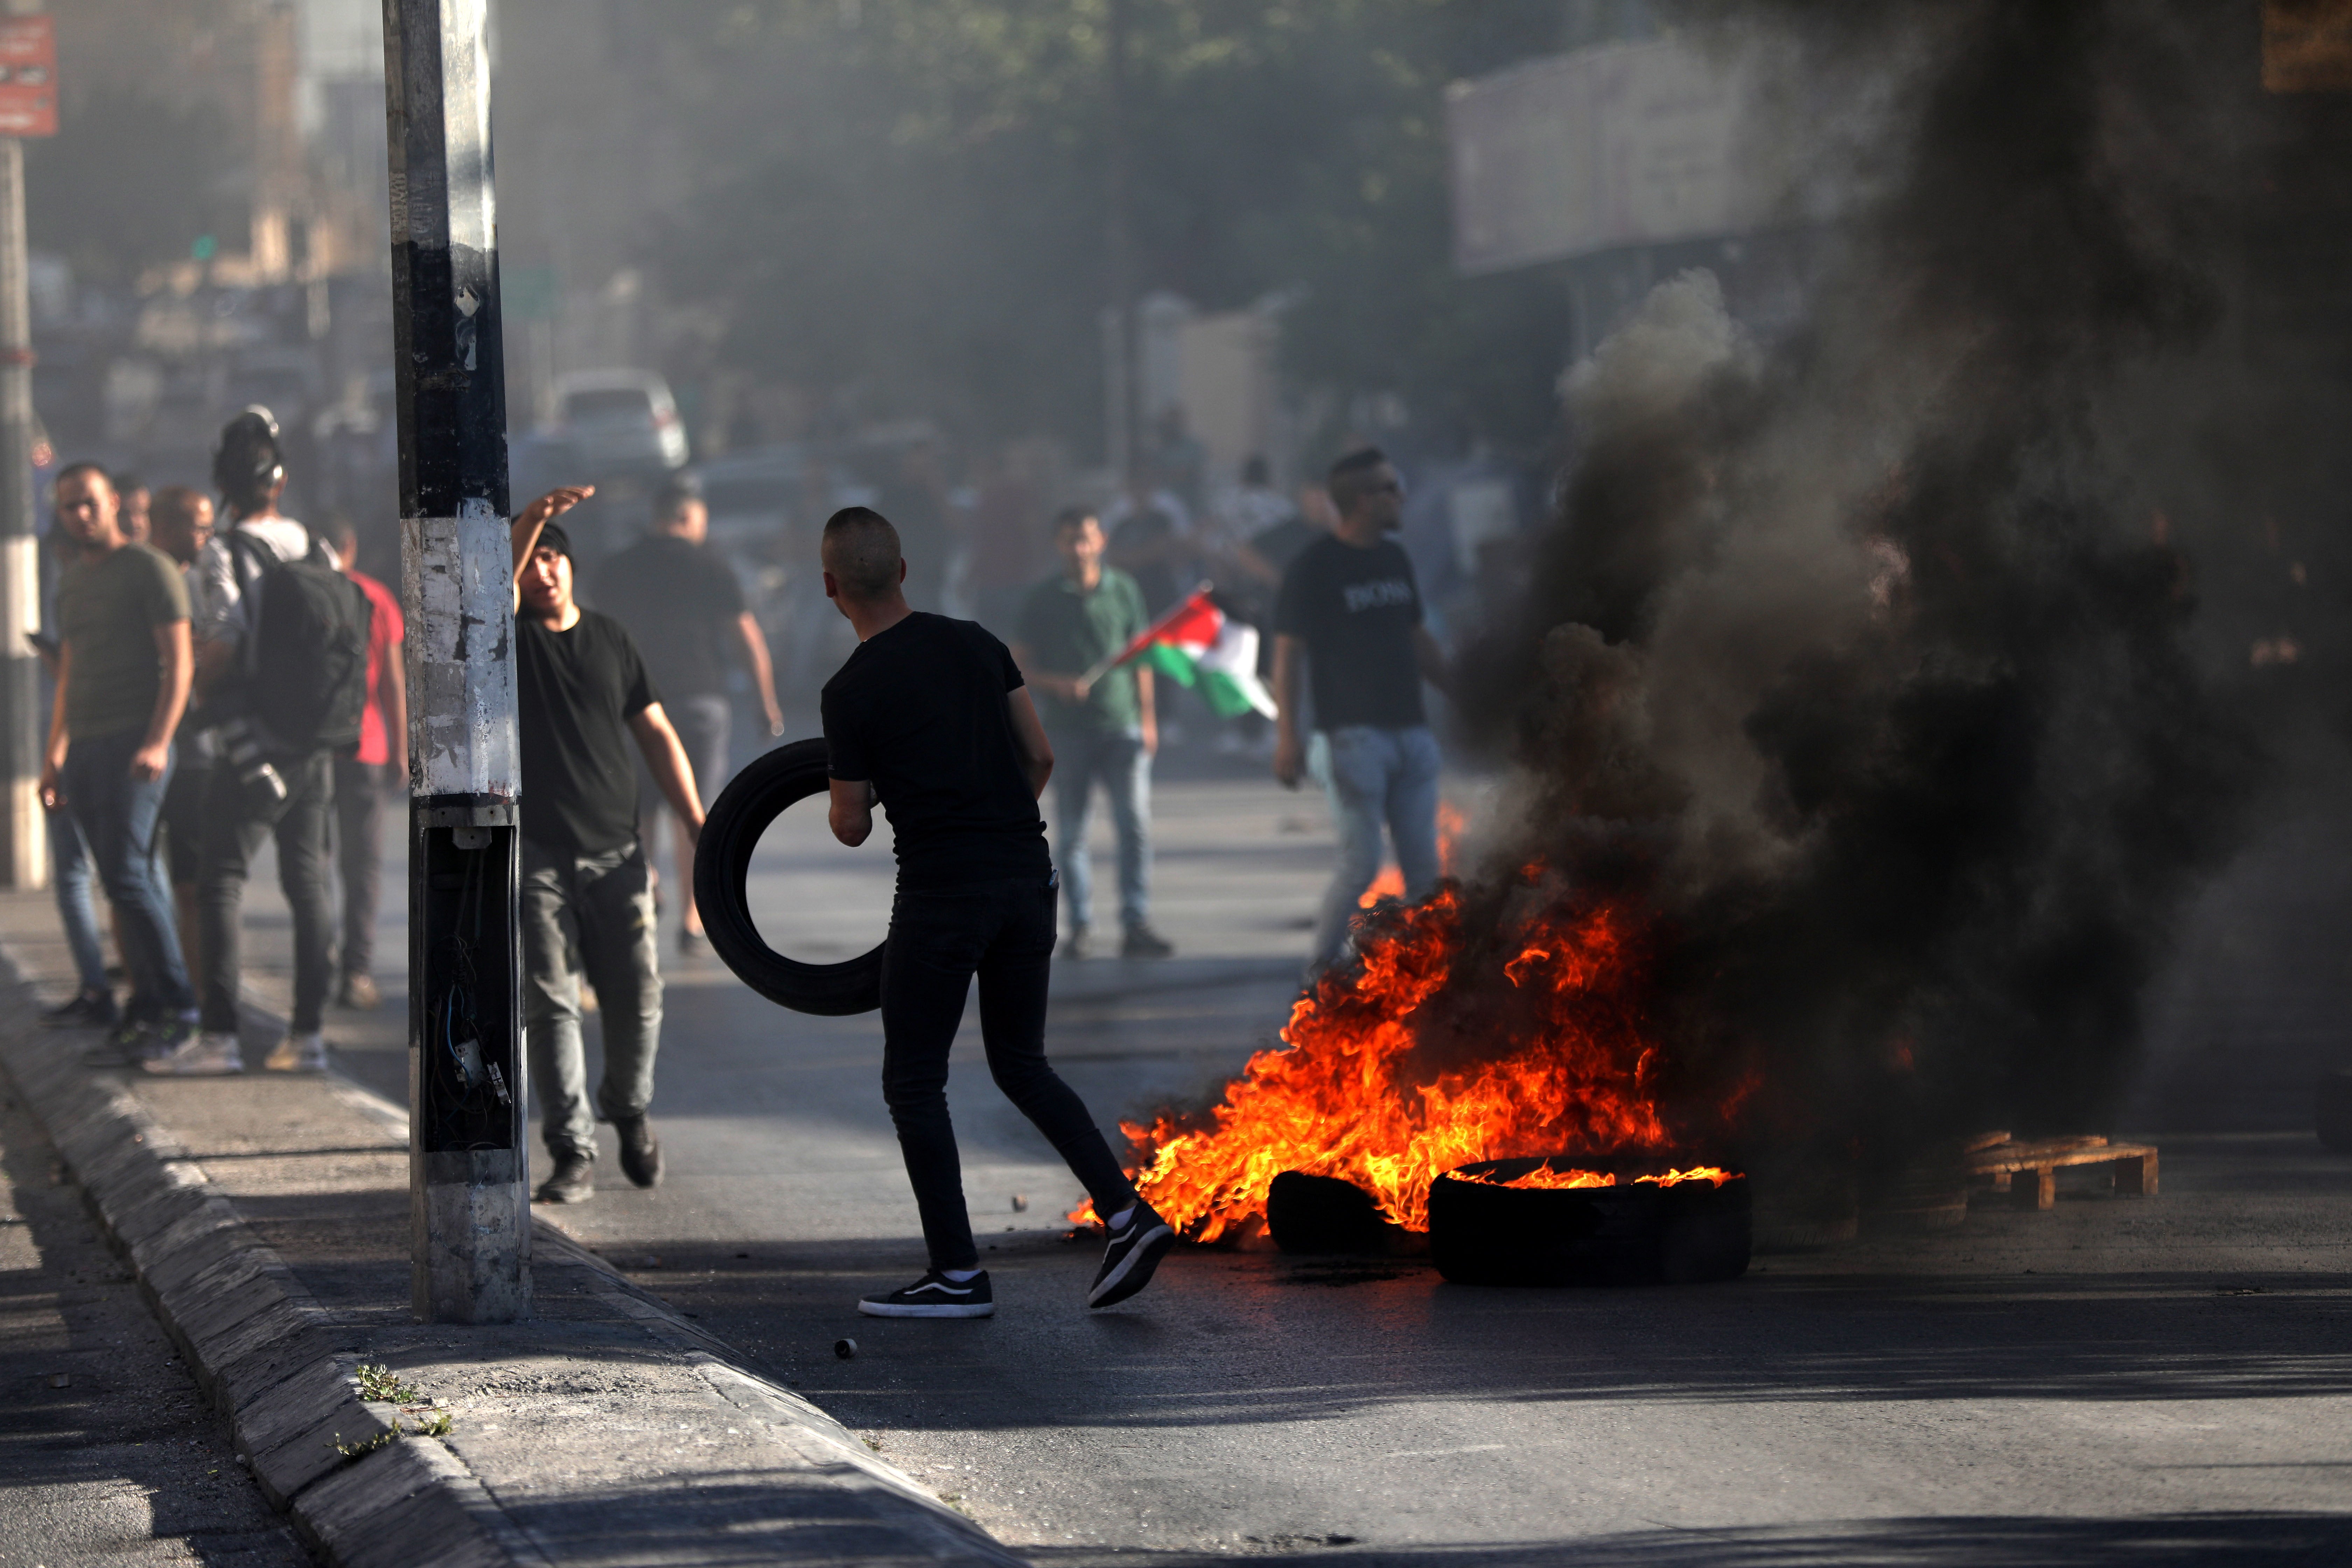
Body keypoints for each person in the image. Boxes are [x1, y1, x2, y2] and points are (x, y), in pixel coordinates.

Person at [818, 505, 1172, 1317]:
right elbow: (1039, 755)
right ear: (904, 571)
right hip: (1026, 874)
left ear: (832, 587)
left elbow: (849, 824)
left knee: (914, 1081)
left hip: (942, 894)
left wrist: (866, 790)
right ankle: (1128, 1213)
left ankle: (957, 1275)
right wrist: (1000, 826)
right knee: (1022, 1062)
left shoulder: (851, 690)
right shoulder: (980, 642)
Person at [507, 486, 707, 1205]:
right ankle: (572, 1149)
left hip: (617, 854)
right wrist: (527, 521)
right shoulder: (505, 642)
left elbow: (655, 731)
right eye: (533, 560)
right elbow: (489, 593)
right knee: (551, 1003)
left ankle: (627, 1106)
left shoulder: (612, 639)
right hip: (537, 856)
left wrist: (694, 818)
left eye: (554, 557)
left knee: (637, 995)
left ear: (570, 566)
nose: (543, 571)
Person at [152, 410, 344, 1076]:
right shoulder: (318, 546)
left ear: (224, 484)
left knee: (221, 881)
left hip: (252, 741)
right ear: (281, 480)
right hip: (314, 740)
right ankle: (309, 1037)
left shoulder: (222, 552)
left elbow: (225, 646)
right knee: (308, 882)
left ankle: (220, 1039)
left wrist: (197, 686)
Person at [38, 465, 200, 1059]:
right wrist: (53, 756)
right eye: (69, 508)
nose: (80, 515)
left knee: (132, 876)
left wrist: (158, 741)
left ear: (112, 505)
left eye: (89, 504)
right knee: (115, 881)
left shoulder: (149, 570)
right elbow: (69, 674)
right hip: (84, 746)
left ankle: (180, 1004)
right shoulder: (72, 583)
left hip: (136, 741)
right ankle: (148, 1004)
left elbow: (180, 665)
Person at [1272, 448, 1450, 975]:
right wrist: (1289, 737)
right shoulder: (1314, 567)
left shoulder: (1395, 558)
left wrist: (1465, 692)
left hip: (1412, 734)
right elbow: (1287, 658)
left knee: (1425, 871)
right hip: (1352, 739)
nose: (1400, 497)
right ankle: (1321, 970)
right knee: (1361, 865)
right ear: (1363, 501)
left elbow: (1419, 638)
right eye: (1390, 489)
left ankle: (1430, 976)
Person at [590, 474, 783, 952]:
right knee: (693, 812)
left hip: (632, 704)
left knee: (640, 810)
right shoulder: (712, 566)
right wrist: (767, 704)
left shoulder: (616, 568)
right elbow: (747, 638)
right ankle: (693, 921)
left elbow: (591, 638)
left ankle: (646, 885)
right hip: (700, 700)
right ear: (685, 516)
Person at [1012, 507, 1171, 960]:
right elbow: (1019, 665)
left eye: (1086, 538)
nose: (1079, 548)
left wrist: (1149, 720)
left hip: (1122, 726)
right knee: (1072, 836)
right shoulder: (1042, 598)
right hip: (1068, 732)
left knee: (1134, 827)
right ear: (1058, 545)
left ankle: (1136, 921)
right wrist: (1054, 684)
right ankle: (1079, 925)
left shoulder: (1124, 589)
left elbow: (1141, 656)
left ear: (1101, 540)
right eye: (1069, 540)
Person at [326, 518, 404, 1009]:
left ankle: (317, 962)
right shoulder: (376, 596)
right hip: (367, 746)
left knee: (312, 864)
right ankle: (356, 971)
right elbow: (392, 681)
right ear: (350, 547)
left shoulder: (297, 592)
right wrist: (401, 748)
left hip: (312, 751)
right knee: (363, 866)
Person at [148, 486, 215, 992]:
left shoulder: (210, 584)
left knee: (193, 886)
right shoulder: (152, 582)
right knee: (144, 880)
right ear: (166, 528)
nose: (207, 536)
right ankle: (163, 990)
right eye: (199, 526)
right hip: (155, 750)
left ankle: (192, 993)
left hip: (199, 755)